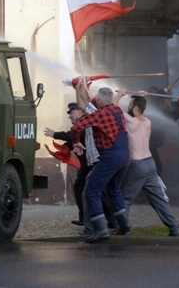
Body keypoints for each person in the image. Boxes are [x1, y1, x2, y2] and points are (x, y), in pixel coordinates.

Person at [115, 90, 179, 237]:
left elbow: (113, 110)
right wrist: (141, 98)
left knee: (124, 198)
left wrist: (119, 95)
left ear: (136, 108)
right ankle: (174, 228)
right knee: (159, 199)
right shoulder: (147, 122)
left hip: (137, 165)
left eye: (131, 105)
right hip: (150, 164)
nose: (128, 107)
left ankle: (124, 230)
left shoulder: (130, 121)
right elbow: (138, 110)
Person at [71, 87, 130, 243]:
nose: (94, 100)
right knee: (113, 189)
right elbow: (96, 111)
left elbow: (77, 126)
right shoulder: (117, 110)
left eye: (96, 99)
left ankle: (100, 229)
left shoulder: (100, 114)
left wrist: (76, 141)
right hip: (124, 155)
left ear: (101, 101)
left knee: (91, 190)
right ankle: (124, 225)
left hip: (110, 156)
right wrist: (89, 99)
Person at [43, 102, 90, 226]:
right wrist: (63, 149)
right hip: (87, 164)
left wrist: (55, 134)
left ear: (80, 112)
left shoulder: (84, 121)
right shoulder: (82, 123)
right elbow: (72, 140)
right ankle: (89, 218)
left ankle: (90, 219)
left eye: (72, 113)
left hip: (91, 163)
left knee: (85, 189)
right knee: (85, 189)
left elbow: (73, 135)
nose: (69, 116)